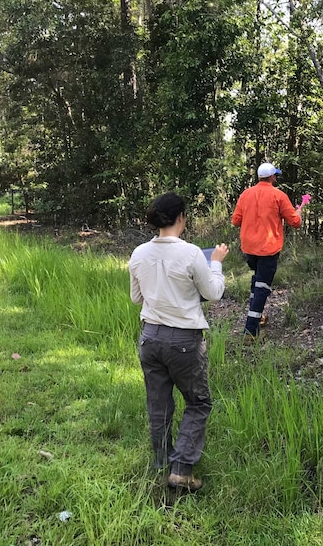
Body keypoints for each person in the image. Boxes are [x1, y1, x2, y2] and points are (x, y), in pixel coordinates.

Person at [128, 192, 229, 492]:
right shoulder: (192, 253)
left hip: (150, 337)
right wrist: (217, 263)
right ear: (181, 217)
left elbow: (136, 297)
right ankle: (181, 469)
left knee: (158, 403)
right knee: (198, 403)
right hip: (184, 340)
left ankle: (161, 460)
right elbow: (213, 292)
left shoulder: (138, 253)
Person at [231, 162, 302, 337]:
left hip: (249, 248)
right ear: (272, 177)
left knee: (257, 280)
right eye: (275, 176)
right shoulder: (279, 195)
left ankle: (259, 316)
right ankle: (250, 330)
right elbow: (295, 223)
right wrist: (299, 212)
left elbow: (235, 221)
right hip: (268, 249)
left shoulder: (246, 194)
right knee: (262, 287)